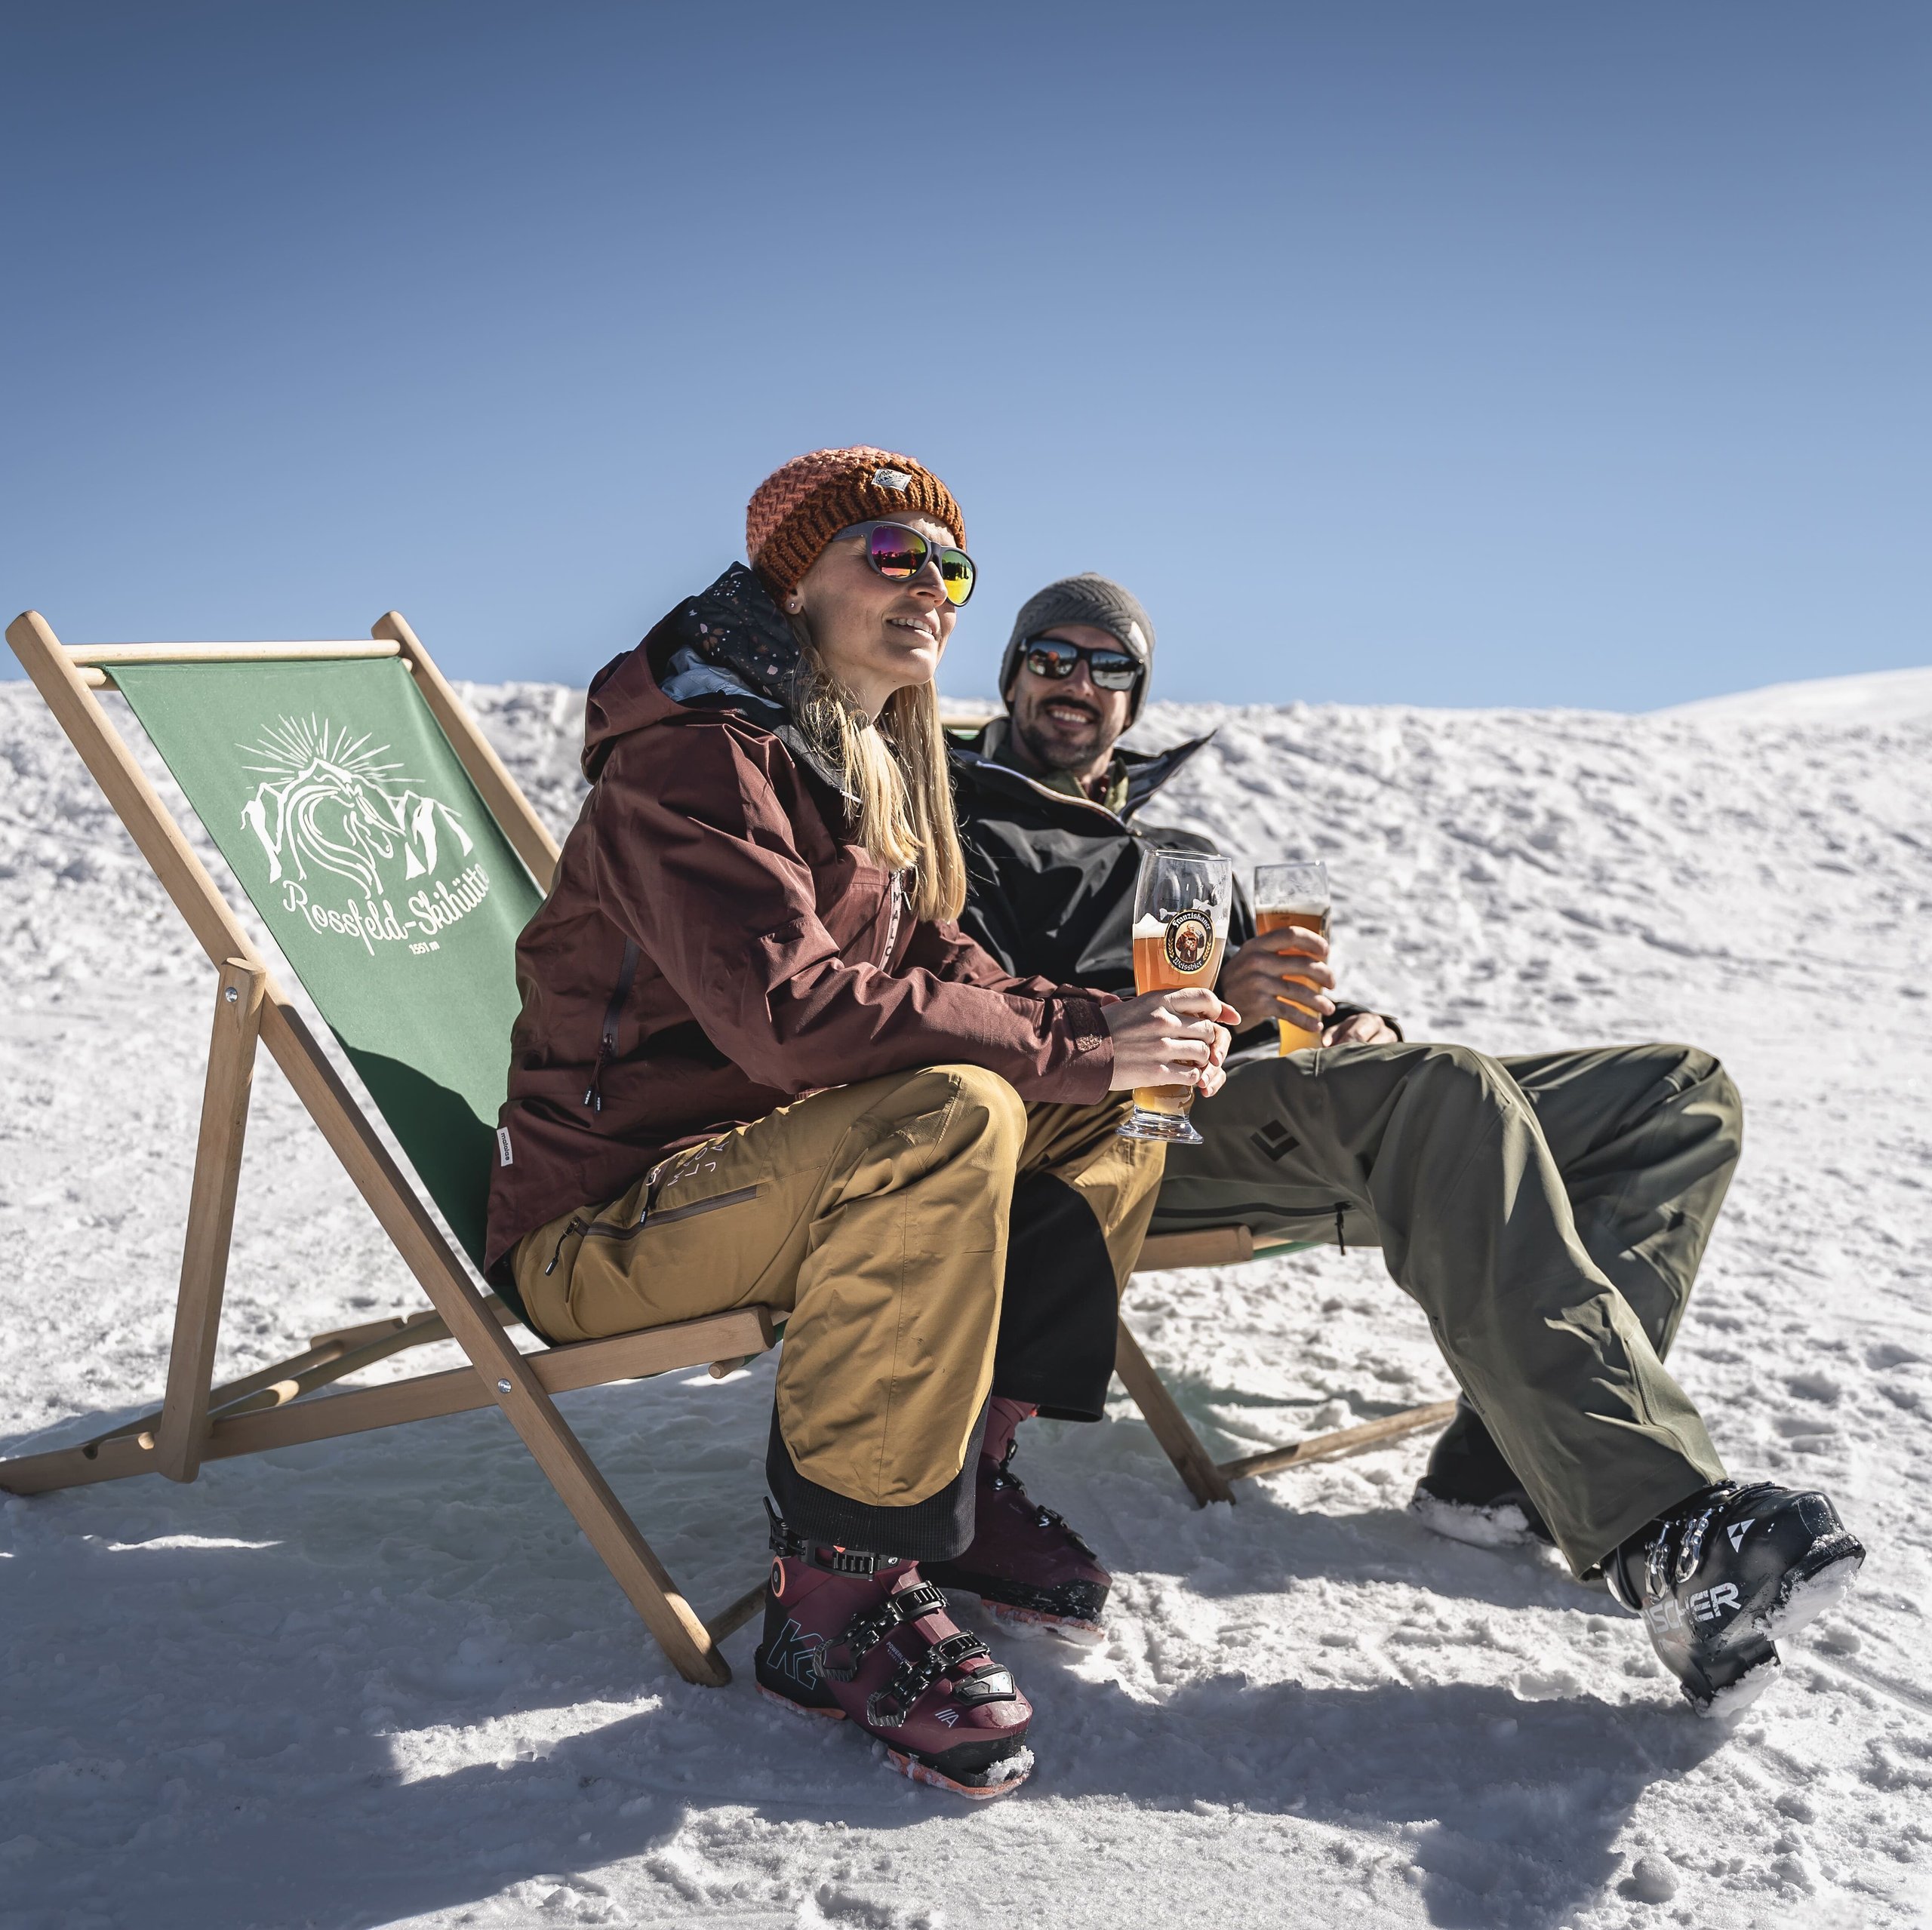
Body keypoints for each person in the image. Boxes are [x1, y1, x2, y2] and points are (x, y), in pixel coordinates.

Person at [945, 570, 1866, 1719]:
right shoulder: (958, 814)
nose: (1079, 683)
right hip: (1116, 1129)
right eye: (1054, 657)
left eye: (1110, 666)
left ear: (1138, 697)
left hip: (1267, 1104)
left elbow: (1267, 1004)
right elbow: (969, 1015)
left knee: (1675, 1094)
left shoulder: (1175, 845)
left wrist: (1343, 1021)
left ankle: (1507, 1473)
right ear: (1011, 672)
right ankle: (1660, 1533)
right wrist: (1200, 997)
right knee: (1443, 1090)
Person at [484, 454, 1235, 1797]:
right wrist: (1075, 1041)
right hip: (611, 1228)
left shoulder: (850, 756)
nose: (931, 590)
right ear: (795, 576)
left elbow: (948, 972)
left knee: (1116, 1109)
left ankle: (959, 1471)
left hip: (757, 1182)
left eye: (952, 568)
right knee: (953, 1109)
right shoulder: (696, 756)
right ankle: (837, 1597)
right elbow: (791, 1015)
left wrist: (1123, 1038)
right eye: (893, 556)